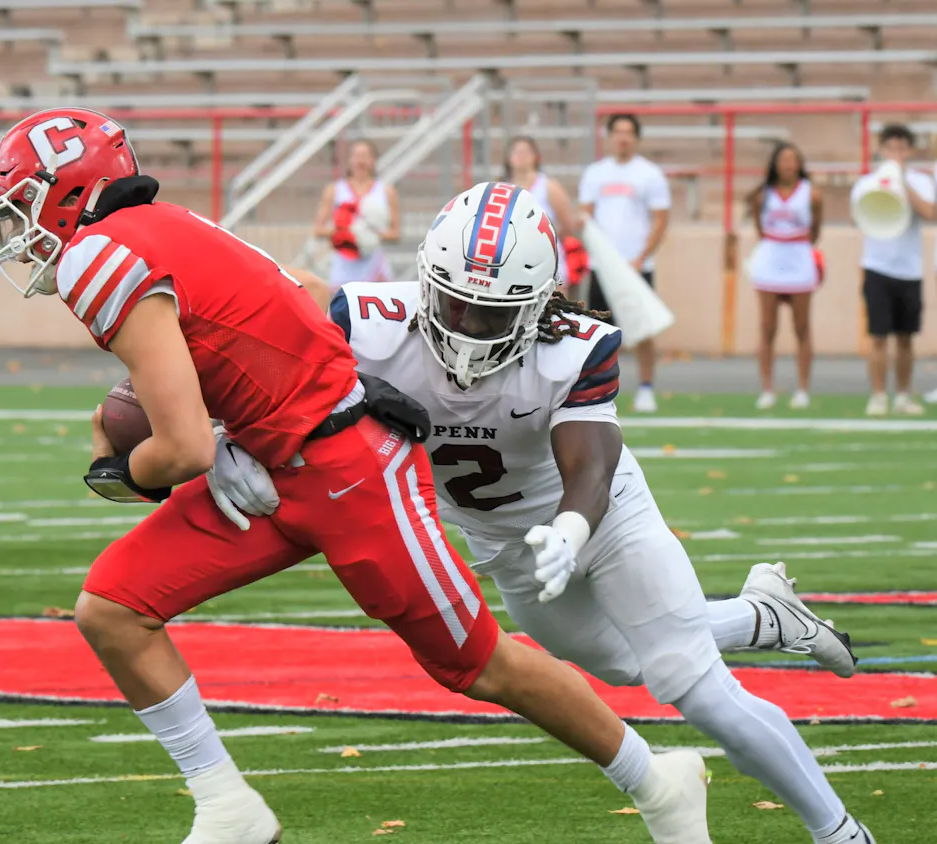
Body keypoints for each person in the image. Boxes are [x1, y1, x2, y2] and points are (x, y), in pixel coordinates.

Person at [0, 109, 710, 844]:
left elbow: (181, 448)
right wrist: (241, 429)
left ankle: (656, 781)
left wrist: (119, 470)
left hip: (351, 468)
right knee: (113, 606)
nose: (17, 231)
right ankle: (226, 805)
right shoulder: (164, 224)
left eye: (22, 206)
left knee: (477, 664)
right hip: (274, 461)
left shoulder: (95, 256)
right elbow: (293, 294)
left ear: (66, 192)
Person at [237, 182, 870, 844]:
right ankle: (763, 615)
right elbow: (258, 319)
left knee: (694, 685)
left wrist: (571, 529)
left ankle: (841, 832)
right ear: (426, 282)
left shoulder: (573, 348)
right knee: (626, 665)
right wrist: (236, 439)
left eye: (491, 314)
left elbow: (590, 469)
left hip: (605, 520)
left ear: (536, 304)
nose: (467, 327)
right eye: (455, 303)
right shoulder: (366, 321)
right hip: (508, 549)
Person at [578, 114, 671, 413]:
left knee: (642, 331)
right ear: (609, 137)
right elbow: (586, 217)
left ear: (636, 138)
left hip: (636, 267)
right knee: (597, 332)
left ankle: (646, 389)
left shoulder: (650, 174)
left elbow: (660, 220)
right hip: (603, 268)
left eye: (629, 132)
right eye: (617, 132)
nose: (623, 138)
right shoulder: (595, 173)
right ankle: (596, 392)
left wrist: (641, 257)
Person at [852, 123, 935, 416]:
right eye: (891, 148)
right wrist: (886, 185)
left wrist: (903, 184)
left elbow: (930, 212)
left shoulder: (920, 181)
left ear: (910, 150)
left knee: (905, 338)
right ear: (881, 149)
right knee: (878, 336)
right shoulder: (867, 182)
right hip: (877, 266)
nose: (896, 153)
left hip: (909, 269)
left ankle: (903, 395)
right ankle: (877, 395)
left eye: (902, 148)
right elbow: (860, 216)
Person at [747, 143, 823, 411]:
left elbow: (816, 229)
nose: (788, 165)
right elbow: (759, 227)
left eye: (793, 160)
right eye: (784, 160)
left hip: (799, 258)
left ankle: (802, 389)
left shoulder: (811, 194)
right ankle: (767, 389)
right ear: (775, 164)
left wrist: (798, 244)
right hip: (771, 259)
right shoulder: (763, 195)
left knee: (802, 327)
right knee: (767, 327)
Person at [311, 138, 399, 293]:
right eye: (357, 155)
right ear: (350, 160)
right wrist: (346, 232)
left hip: (375, 270)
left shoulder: (386, 191)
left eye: (365, 156)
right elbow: (318, 229)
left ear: (373, 160)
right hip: (343, 271)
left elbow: (395, 233)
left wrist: (368, 235)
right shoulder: (334, 190)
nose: (361, 161)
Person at [504, 136, 581, 272]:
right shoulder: (503, 189)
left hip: (546, 262)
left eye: (526, 152)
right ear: (509, 158)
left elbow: (567, 224)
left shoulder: (548, 186)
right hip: (513, 263)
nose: (521, 156)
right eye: (517, 152)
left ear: (536, 157)